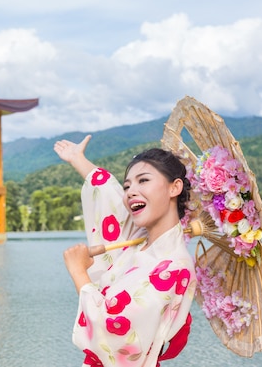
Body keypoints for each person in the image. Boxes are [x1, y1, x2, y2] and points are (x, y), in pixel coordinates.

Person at [54, 135, 197, 367]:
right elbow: (108, 194)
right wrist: (77, 159)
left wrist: (79, 273)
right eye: (127, 185)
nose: (130, 192)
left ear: (175, 187)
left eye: (143, 181)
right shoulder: (138, 241)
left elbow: (115, 332)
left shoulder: (175, 267)